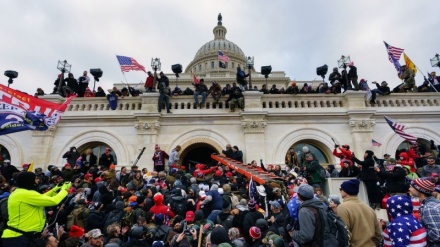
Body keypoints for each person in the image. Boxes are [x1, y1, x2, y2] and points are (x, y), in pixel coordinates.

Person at [2, 172, 71, 246]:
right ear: (29, 181)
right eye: (35, 179)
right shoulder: (25, 194)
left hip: (22, 237)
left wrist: (55, 189)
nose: (37, 181)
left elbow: (42, 197)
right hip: (18, 238)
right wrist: (65, 189)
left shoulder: (21, 193)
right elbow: (54, 201)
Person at [337, 179, 382, 247]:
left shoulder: (342, 208)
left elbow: (344, 233)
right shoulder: (368, 208)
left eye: (341, 189)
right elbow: (377, 234)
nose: (340, 191)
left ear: (346, 191)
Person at [408, 178, 440, 246]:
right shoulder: (431, 204)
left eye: (412, 187)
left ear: (420, 190)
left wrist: (416, 232)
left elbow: (436, 235)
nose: (409, 189)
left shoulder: (429, 208)